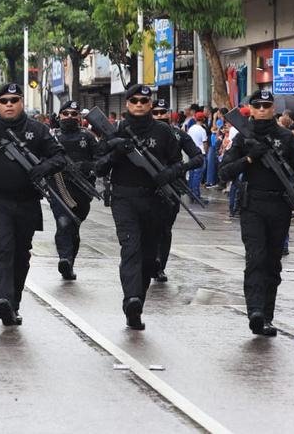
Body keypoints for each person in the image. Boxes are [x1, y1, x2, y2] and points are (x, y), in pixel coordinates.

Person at [0, 82, 65, 326]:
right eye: (4, 101)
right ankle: (4, 299)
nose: (9, 104)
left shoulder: (38, 130)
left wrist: (44, 167)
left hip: (28, 201)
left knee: (21, 255)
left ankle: (13, 303)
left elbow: (60, 156)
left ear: (22, 102)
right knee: (2, 248)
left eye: (14, 100)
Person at [92, 84, 183, 330]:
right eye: (135, 100)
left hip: (155, 199)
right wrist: (115, 154)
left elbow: (178, 163)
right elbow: (97, 166)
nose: (140, 104)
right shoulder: (115, 131)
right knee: (130, 249)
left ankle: (137, 305)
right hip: (124, 199)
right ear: (128, 103)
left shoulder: (163, 131)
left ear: (151, 103)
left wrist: (168, 174)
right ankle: (131, 299)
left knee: (146, 256)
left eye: (145, 100)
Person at [220, 90, 294, 337]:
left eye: (266, 105)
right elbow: (224, 171)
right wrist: (249, 158)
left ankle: (267, 316)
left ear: (273, 109)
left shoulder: (285, 137)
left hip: (279, 206)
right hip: (253, 206)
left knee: (272, 263)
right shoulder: (241, 137)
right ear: (251, 108)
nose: (261, 110)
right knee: (255, 257)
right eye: (257, 105)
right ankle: (256, 312)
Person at [151, 99, 204, 282]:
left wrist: (180, 169)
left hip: (172, 187)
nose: (159, 116)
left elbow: (198, 158)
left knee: (165, 228)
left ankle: (159, 266)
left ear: (169, 114)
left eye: (162, 112)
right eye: (155, 112)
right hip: (148, 188)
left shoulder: (179, 135)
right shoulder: (142, 135)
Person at [50, 100, 100, 280]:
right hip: (59, 186)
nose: (69, 117)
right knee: (63, 222)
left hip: (82, 190)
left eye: (73, 114)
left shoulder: (87, 137)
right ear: (59, 116)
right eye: (66, 114)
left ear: (79, 117)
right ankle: (64, 258)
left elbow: (101, 159)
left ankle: (70, 262)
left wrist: (88, 166)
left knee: (74, 227)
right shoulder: (52, 136)